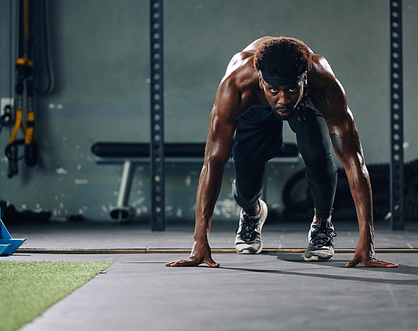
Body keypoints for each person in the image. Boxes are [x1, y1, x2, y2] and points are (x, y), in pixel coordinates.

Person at [165, 36, 398, 268]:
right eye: (274, 89)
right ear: (260, 81)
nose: (283, 100)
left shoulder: (324, 85)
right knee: (246, 188)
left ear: (304, 79)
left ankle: (322, 223)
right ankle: (252, 213)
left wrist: (367, 243)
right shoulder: (236, 87)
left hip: (305, 104)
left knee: (317, 155)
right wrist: (199, 242)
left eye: (291, 89)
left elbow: (353, 161)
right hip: (254, 108)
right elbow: (213, 162)